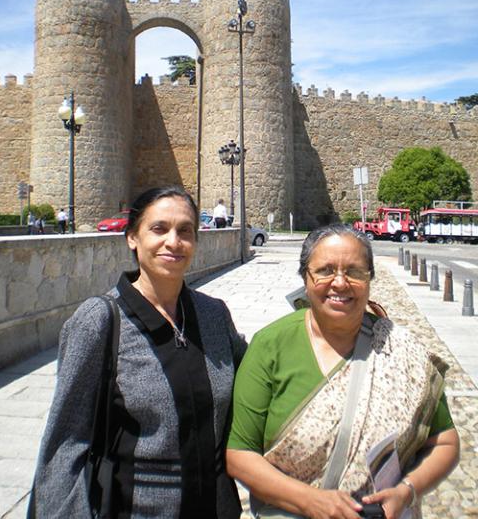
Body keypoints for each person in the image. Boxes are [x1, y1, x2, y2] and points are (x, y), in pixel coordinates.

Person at [30, 185, 247, 518]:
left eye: (185, 231)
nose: (173, 242)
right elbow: (65, 445)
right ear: (132, 237)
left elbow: (258, 386)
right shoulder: (99, 321)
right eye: (159, 229)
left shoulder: (213, 315)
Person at [227, 224, 459, 519]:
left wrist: (407, 490)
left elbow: (446, 442)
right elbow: (240, 455)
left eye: (355, 271)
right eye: (324, 270)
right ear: (305, 277)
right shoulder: (271, 346)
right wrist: (310, 501)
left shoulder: (403, 352)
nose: (339, 282)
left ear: (371, 278)